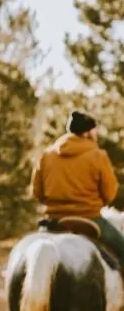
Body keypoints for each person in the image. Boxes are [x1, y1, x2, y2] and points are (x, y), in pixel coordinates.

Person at [31, 110, 123, 262]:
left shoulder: (46, 155)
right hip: (90, 218)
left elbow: (37, 192)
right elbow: (109, 193)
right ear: (87, 133)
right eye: (94, 130)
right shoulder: (98, 155)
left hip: (54, 220)